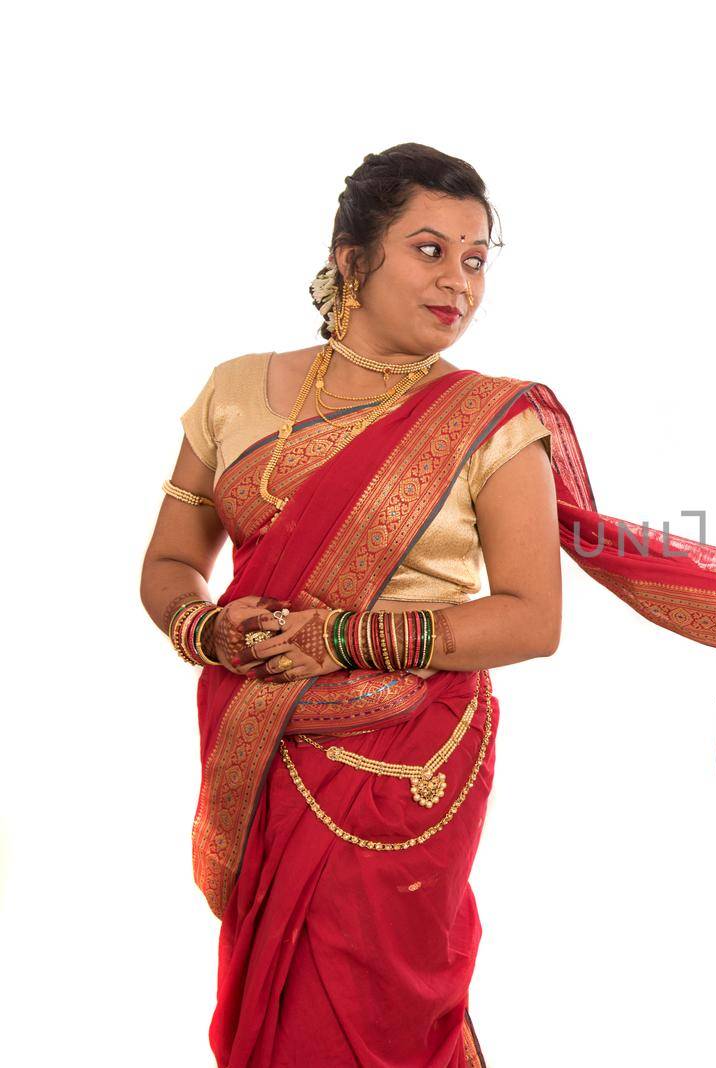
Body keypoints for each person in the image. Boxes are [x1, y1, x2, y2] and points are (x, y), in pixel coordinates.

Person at [139, 143, 562, 1066]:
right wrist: (207, 627)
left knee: (388, 1009)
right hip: (263, 740)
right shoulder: (234, 390)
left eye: (477, 256)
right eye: (429, 249)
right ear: (350, 257)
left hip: (408, 761)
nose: (459, 281)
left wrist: (343, 637)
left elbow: (534, 617)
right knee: (281, 1008)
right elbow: (172, 560)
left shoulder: (491, 419)